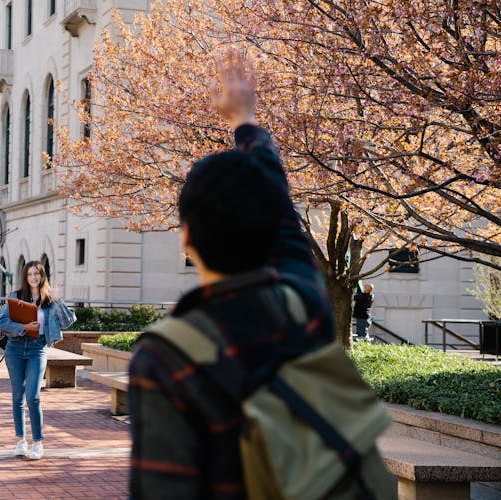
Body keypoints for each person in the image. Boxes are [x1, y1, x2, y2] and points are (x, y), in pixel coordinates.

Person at [128, 49, 351, 497]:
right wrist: (245, 121)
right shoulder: (304, 305)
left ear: (185, 237)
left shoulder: (166, 360)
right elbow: (280, 209)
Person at [0, 261, 76, 460]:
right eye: (30, 274)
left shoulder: (50, 299)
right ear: (25, 276)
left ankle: (38, 443)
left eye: (37, 273)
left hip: (37, 349)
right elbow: (2, 322)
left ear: (42, 276)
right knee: (17, 398)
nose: (33, 277)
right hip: (14, 349)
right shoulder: (15, 297)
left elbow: (67, 321)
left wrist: (58, 301)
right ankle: (20, 441)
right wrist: (24, 328)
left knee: (33, 397)